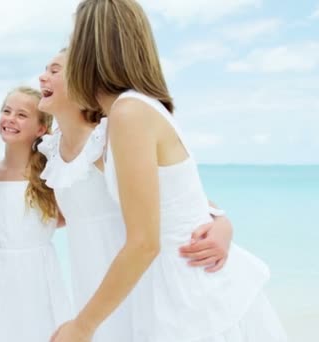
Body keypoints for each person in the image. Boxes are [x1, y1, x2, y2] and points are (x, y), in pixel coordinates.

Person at [52, 0, 288, 341]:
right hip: (173, 290)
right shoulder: (133, 112)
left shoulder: (130, 114)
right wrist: (221, 220)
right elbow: (178, 198)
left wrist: (83, 326)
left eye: (75, 41)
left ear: (91, 48)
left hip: (189, 294)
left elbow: (144, 243)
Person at [38, 47, 236, 341]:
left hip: (132, 285)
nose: (43, 77)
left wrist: (222, 225)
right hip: (90, 281)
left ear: (82, 76)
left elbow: (176, 197)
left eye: (55, 70)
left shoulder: (106, 140)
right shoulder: (51, 149)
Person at [0, 86, 72, 341]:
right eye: (6, 110)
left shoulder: (48, 174)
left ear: (41, 128)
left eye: (22, 115)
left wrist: (30, 236)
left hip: (36, 273)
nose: (10, 118)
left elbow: (65, 215)